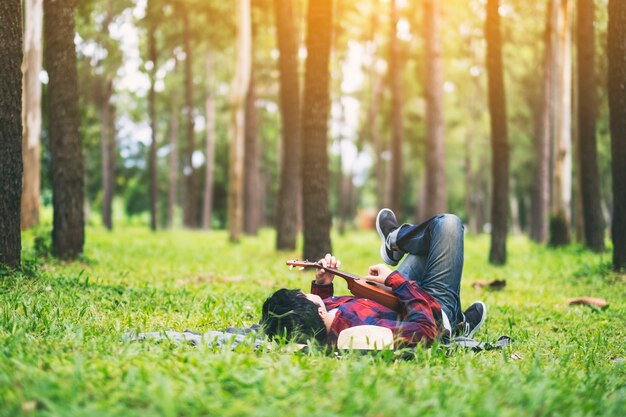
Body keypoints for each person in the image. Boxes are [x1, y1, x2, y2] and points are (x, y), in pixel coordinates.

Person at [261, 209, 486, 347]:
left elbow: (319, 310)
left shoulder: (319, 322)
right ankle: (455, 321)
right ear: (318, 312)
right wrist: (394, 280)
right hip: (433, 311)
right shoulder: (360, 330)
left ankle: (395, 239)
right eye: (304, 295)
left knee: (432, 246)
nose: (306, 293)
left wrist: (323, 285)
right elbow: (427, 330)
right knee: (448, 226)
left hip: (393, 298)